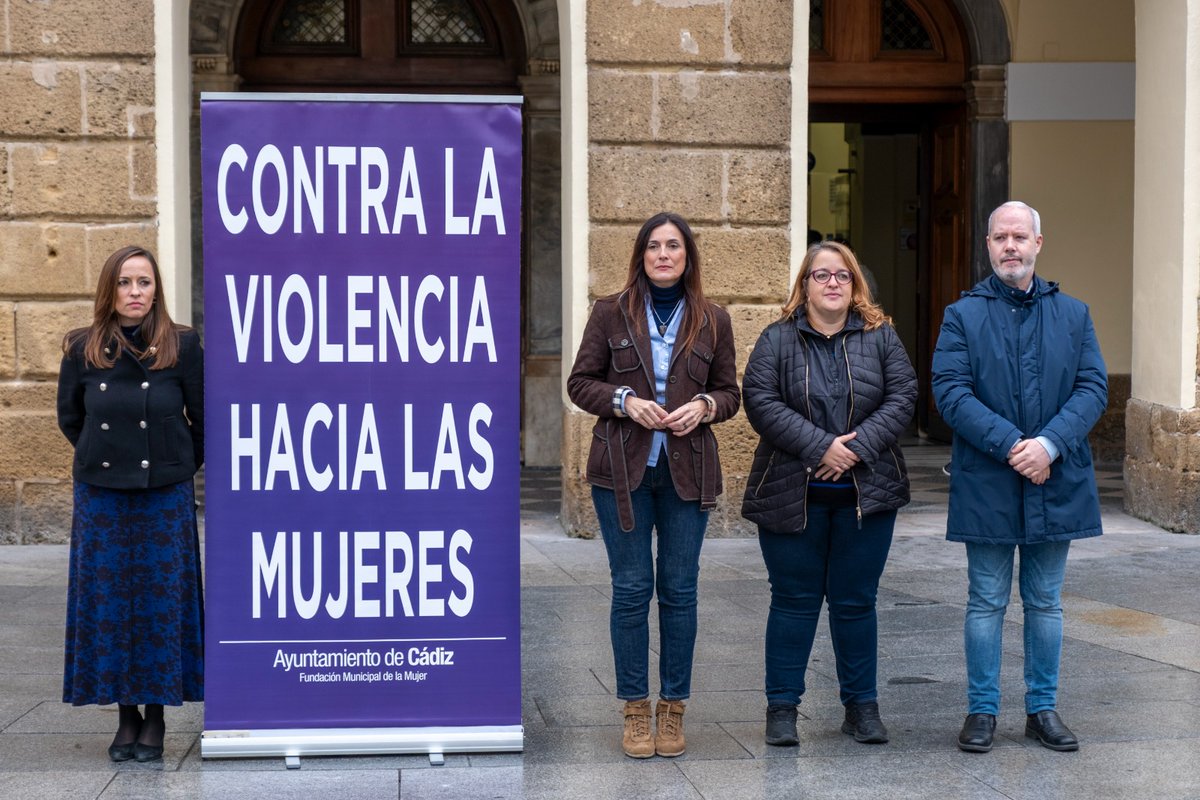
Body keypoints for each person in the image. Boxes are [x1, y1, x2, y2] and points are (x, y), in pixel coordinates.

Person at [932, 201, 1107, 754]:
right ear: (988, 246)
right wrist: (1014, 445)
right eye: (1001, 238)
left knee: (1046, 601)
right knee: (985, 600)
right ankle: (982, 711)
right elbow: (950, 391)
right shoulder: (962, 315)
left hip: (1055, 479)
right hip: (989, 479)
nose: (1011, 247)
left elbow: (1093, 388)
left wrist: (1050, 444)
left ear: (1038, 244)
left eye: (1020, 237)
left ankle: (1042, 709)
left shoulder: (1074, 314)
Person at [567, 212, 740, 759]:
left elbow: (730, 392)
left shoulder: (713, 319)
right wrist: (624, 402)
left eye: (674, 246)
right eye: (653, 247)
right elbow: (580, 383)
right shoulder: (610, 312)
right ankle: (635, 709)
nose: (663, 255)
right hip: (622, 470)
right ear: (641, 255)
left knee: (680, 591)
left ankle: (674, 708)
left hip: (687, 471)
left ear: (687, 257)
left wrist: (706, 407)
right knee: (632, 588)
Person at [740, 241, 917, 748]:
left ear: (855, 284)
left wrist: (853, 452)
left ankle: (861, 707)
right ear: (805, 284)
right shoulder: (776, 340)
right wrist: (822, 449)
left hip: (867, 495)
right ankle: (782, 709)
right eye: (822, 275)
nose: (833, 283)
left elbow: (904, 395)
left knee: (856, 603)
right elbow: (760, 401)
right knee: (793, 602)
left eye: (842, 275)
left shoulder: (882, 338)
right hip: (791, 493)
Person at [57, 246, 205, 763]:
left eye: (144, 282)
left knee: (162, 606)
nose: (135, 292)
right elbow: (70, 418)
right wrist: (105, 457)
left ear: (156, 290)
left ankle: (158, 716)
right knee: (113, 607)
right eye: (125, 282)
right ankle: (126, 716)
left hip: (163, 495)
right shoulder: (82, 346)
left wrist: (173, 463)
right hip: (102, 496)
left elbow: (201, 419)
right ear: (110, 290)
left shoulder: (182, 344)